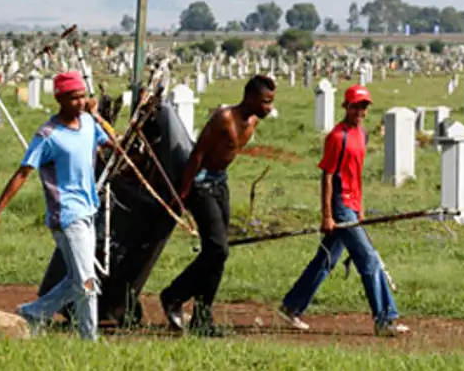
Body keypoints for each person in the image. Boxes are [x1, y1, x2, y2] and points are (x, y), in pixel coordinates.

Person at [0, 71, 113, 341]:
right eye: (73, 98)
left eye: (82, 96)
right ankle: (90, 342)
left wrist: (98, 116)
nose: (79, 102)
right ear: (60, 99)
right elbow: (22, 173)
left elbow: (112, 141)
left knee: (79, 279)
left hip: (89, 210)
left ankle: (33, 312)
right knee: (87, 284)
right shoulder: (48, 135)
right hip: (66, 216)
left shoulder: (88, 123)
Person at [276, 85, 409, 337]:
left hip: (351, 205)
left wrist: (359, 207)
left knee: (326, 259)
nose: (360, 111)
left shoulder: (362, 134)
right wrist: (327, 214)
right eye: (356, 106)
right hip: (339, 205)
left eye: (364, 106)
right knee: (368, 260)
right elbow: (327, 177)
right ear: (345, 107)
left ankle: (291, 306)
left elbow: (355, 175)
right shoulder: (338, 137)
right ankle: (385, 318)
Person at [160, 75, 276, 337]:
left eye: (271, 103)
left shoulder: (254, 120)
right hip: (200, 184)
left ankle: (202, 318)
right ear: (249, 97)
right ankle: (173, 295)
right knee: (217, 249)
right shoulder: (224, 119)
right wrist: (182, 194)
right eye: (265, 102)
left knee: (219, 253)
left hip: (220, 183)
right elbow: (197, 155)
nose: (268, 108)